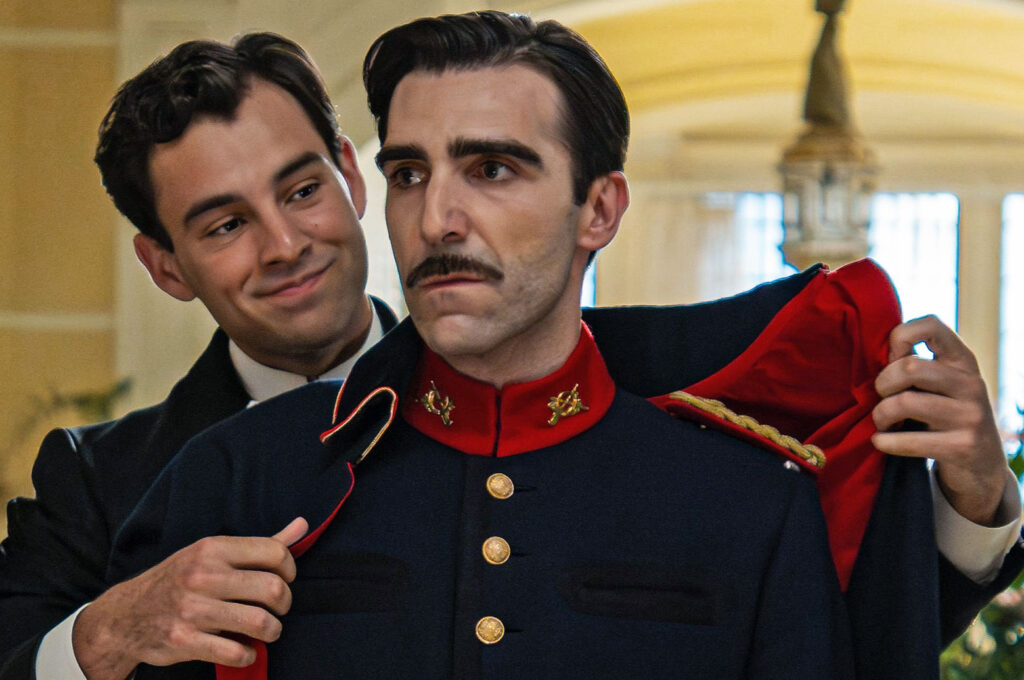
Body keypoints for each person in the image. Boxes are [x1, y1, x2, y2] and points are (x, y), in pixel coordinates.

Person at [0, 16, 1019, 680]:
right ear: (166, 264)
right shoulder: (207, 477)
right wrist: (101, 635)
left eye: (492, 168)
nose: (437, 216)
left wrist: (971, 501)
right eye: (411, 173)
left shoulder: (742, 481)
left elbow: (859, 621)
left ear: (600, 210)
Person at [0, 34, 400, 680]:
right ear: (166, 267)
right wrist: (109, 632)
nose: (284, 245)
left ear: (351, 179)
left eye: (302, 191)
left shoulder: (523, 408)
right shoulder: (91, 484)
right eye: (226, 226)